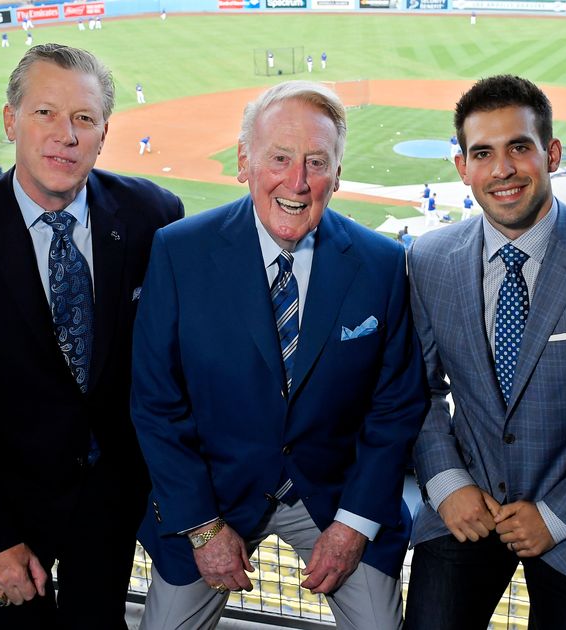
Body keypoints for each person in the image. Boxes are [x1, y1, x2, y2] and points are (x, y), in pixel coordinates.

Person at [0, 43, 183, 629]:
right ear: (11, 121)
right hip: (8, 505)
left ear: (104, 132)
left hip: (114, 497)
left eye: (84, 118)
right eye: (45, 113)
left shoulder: (153, 215)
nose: (66, 134)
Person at [132, 80, 426, 630]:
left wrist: (353, 526)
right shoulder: (178, 251)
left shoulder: (382, 264)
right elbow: (155, 404)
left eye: (317, 162)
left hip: (336, 499)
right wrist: (201, 527)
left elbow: (396, 408)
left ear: (337, 173)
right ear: (244, 160)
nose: (297, 182)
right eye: (280, 158)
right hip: (214, 498)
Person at [404, 74, 566, 630]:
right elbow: (418, 391)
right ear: (463, 167)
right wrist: (447, 483)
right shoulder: (428, 260)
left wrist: (557, 515)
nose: (501, 169)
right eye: (483, 153)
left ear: (550, 153)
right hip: (465, 502)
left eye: (518, 148)